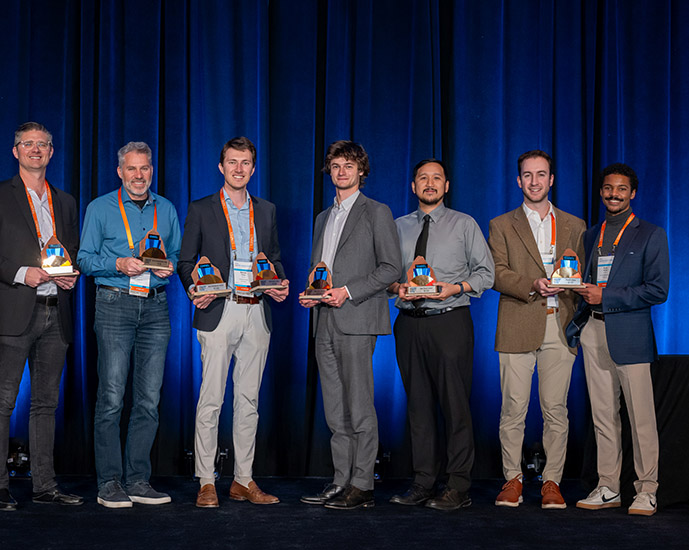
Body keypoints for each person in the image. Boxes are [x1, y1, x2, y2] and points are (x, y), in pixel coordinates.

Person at [0, 122, 82, 510]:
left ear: (51, 152)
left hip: (58, 311)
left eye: (43, 144)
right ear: (15, 150)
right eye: (28, 144)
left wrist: (72, 274)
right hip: (15, 309)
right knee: (2, 402)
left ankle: (44, 486)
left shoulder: (65, 201)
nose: (36, 149)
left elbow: (70, 252)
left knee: (45, 405)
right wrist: (23, 273)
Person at [177, 136, 289, 508]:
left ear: (253, 169)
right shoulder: (201, 208)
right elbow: (184, 262)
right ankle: (206, 481)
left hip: (257, 311)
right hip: (218, 311)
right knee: (211, 400)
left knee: (249, 401)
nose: (239, 169)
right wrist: (196, 288)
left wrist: (278, 284)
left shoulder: (267, 210)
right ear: (221, 167)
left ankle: (243, 480)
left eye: (245, 163)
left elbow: (273, 258)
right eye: (232, 162)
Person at [299, 140, 402, 510]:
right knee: (334, 410)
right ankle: (341, 480)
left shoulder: (376, 212)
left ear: (362, 172)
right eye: (336, 166)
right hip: (323, 319)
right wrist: (312, 292)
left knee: (359, 407)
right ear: (330, 171)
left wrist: (347, 291)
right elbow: (321, 271)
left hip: (356, 319)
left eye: (349, 166)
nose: (342, 172)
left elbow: (392, 269)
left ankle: (363, 485)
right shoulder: (322, 218)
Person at [78, 141, 181, 508]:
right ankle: (109, 483)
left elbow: (178, 256)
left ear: (151, 170)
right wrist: (119, 264)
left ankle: (138, 479)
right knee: (110, 398)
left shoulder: (165, 209)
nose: (139, 176)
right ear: (120, 172)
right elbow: (85, 260)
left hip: (156, 307)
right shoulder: (100, 207)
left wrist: (170, 265)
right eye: (132, 169)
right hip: (114, 304)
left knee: (149, 400)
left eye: (145, 169)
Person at [388, 158, 493, 511]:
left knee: (455, 405)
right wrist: (395, 287)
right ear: (413, 186)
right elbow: (385, 274)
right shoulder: (397, 226)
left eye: (437, 178)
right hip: (408, 323)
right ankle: (422, 482)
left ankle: (458, 485)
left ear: (446, 186)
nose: (429, 183)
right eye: (422, 178)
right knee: (418, 407)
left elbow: (486, 273)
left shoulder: (465, 224)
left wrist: (456, 288)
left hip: (450, 321)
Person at [567, 163, 668, 516]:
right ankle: (608, 486)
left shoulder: (650, 234)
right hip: (594, 331)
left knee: (641, 418)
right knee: (603, 415)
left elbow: (658, 290)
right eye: (608, 188)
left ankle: (647, 489)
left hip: (631, 334)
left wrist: (605, 297)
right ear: (601, 192)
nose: (614, 194)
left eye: (621, 189)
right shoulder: (591, 234)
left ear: (633, 193)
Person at [488, 150, 586, 509]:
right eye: (527, 175)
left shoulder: (575, 225)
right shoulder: (501, 224)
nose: (534, 182)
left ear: (551, 179)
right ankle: (512, 479)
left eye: (541, 175)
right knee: (513, 407)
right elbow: (496, 272)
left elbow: (582, 274)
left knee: (555, 409)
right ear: (518, 181)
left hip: (560, 323)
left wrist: (569, 284)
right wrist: (533, 283)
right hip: (518, 320)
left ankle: (552, 482)